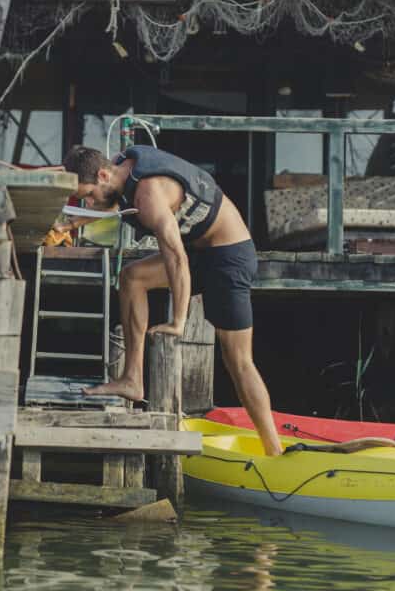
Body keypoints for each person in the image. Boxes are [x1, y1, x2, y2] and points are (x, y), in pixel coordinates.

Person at [62, 144, 283, 457]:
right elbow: (110, 202)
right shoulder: (119, 170)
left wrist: (179, 321)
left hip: (229, 256)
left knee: (238, 361)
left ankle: (274, 451)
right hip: (200, 250)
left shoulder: (149, 195)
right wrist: (68, 225)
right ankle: (132, 379)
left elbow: (177, 260)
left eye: (87, 195)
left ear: (102, 175)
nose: (88, 202)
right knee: (132, 277)